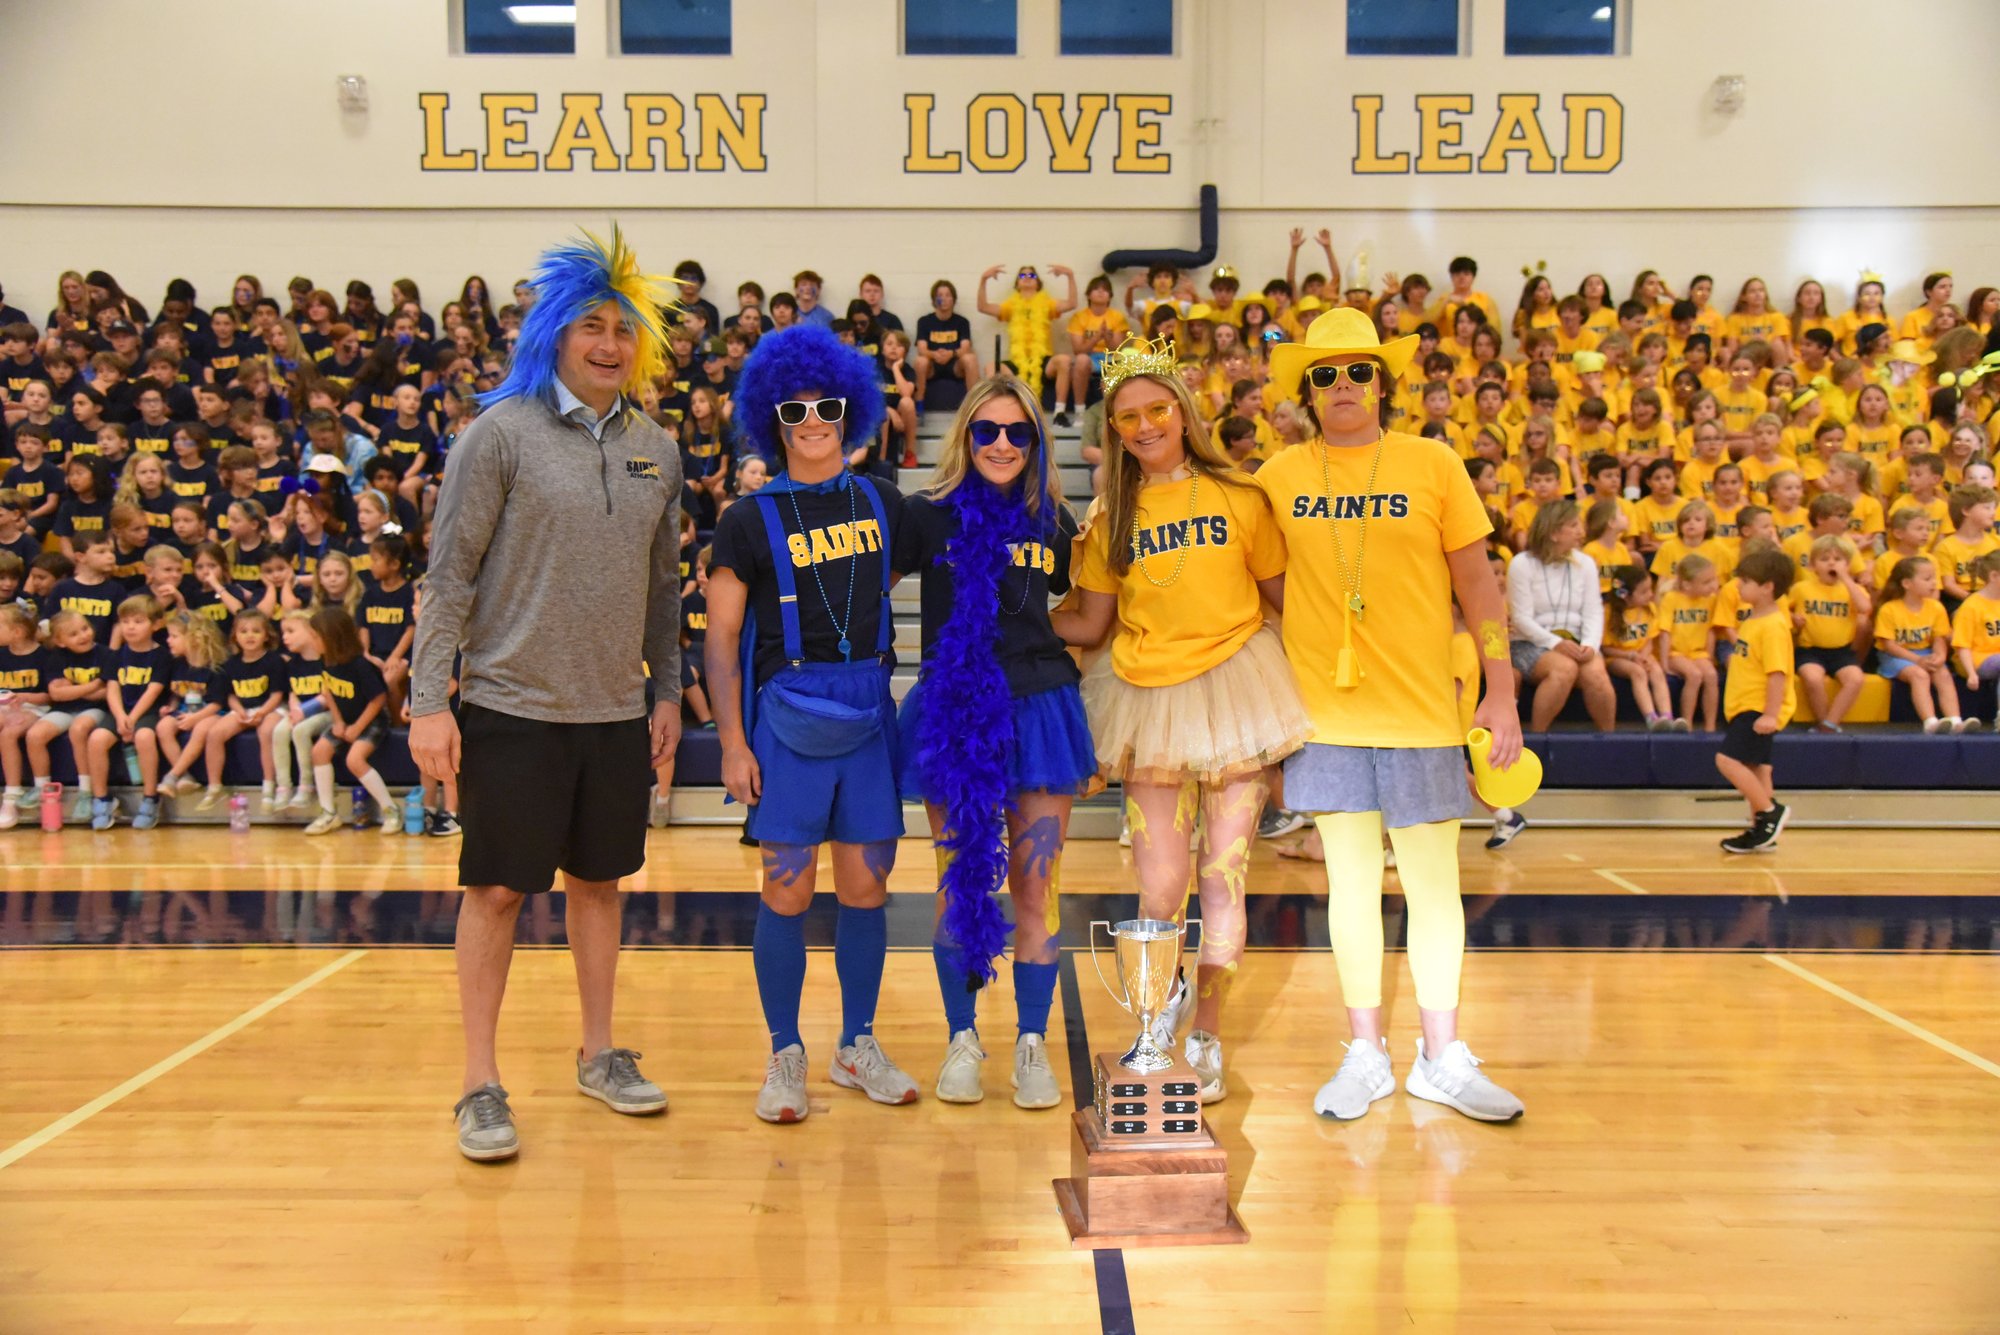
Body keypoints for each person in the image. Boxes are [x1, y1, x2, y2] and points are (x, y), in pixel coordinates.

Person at [409, 228, 685, 1162]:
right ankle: (479, 1082)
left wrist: (668, 691)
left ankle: (599, 1053)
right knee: (493, 893)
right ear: (555, 335)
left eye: (622, 329)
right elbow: (447, 578)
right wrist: (427, 701)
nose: (608, 344)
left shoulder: (657, 449)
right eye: (590, 327)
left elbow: (661, 588)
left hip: (614, 708)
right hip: (511, 706)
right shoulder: (499, 436)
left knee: (600, 885)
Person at [1251, 306, 1525, 1124]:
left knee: (1436, 890)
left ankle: (1441, 1057)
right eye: (1327, 373)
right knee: (1350, 886)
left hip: (1422, 714)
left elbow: (1479, 588)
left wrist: (1502, 688)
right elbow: (1266, 585)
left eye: (1359, 370)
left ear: (1383, 383)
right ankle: (1365, 1051)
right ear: (1306, 389)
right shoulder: (1278, 475)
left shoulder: (1434, 463)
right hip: (1325, 715)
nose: (1343, 385)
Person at [1052, 336, 1310, 1104]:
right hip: (1149, 701)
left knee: (1223, 881)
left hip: (1239, 694)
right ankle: (1152, 1028)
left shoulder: (1242, 497)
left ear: (1183, 411)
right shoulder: (1109, 515)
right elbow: (1092, 623)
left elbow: (1285, 603)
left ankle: (1209, 1035)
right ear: (1113, 429)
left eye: (1156, 408)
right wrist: (1007, 613)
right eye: (1126, 416)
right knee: (1160, 886)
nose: (1143, 426)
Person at [705, 323, 914, 1125]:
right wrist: (729, 741)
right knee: (786, 887)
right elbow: (720, 637)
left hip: (867, 712)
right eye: (796, 408)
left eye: (829, 404)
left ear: (851, 410)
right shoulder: (745, 520)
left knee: (866, 885)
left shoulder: (881, 500)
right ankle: (785, 1049)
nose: (815, 419)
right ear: (774, 418)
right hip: (786, 719)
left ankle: (855, 1042)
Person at [892, 375, 1094, 1110]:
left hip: (1040, 709)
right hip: (955, 712)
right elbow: (867, 589)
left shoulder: (1057, 526)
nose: (1002, 443)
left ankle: (1033, 1041)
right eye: (987, 431)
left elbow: (1081, 619)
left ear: (1037, 443)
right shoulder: (926, 516)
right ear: (965, 438)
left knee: (1036, 890)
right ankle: (962, 1036)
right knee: (959, 887)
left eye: (1018, 432)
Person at [1714, 547, 1798, 853]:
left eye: (1746, 580)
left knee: (1726, 759)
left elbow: (1778, 674)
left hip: (1758, 707)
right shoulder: (1753, 619)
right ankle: (1761, 831)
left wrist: (1770, 715)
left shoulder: (1774, 627)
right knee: (1759, 767)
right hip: (1745, 705)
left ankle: (1769, 812)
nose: (1738, 585)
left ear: (1768, 586)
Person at [1508, 501, 1614, 731]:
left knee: (1597, 675)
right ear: (1554, 533)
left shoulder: (1585, 563)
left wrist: (1590, 645)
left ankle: (1609, 742)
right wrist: (1556, 643)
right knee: (1564, 669)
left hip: (1575, 642)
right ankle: (1539, 739)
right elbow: (1521, 619)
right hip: (1530, 642)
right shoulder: (1521, 564)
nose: (1581, 532)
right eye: (1573, 525)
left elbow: (1594, 611)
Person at [1874, 556, 1974, 733]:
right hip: (1897, 655)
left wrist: (1940, 657)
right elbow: (1889, 645)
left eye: (1934, 578)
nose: (1934, 583)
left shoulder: (1935, 607)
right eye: (1927, 579)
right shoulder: (1889, 609)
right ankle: (1930, 722)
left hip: (1925, 652)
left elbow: (1938, 638)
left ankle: (1955, 720)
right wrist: (1916, 660)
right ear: (1907, 583)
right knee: (1919, 675)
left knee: (1942, 673)